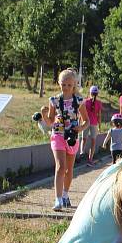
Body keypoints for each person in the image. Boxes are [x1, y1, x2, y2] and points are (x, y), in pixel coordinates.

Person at [40, 68, 89, 211]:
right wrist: (44, 115)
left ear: (74, 85)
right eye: (63, 84)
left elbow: (86, 121)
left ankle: (66, 194)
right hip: (57, 135)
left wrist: (79, 128)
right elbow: (50, 123)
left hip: (72, 137)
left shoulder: (79, 100)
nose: (66, 88)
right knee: (60, 166)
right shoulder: (54, 100)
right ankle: (58, 199)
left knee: (69, 170)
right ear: (58, 83)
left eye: (69, 85)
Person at [81, 85, 102, 166]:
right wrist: (99, 126)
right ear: (97, 94)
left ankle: (81, 152)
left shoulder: (85, 101)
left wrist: (81, 122)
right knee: (93, 142)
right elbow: (99, 116)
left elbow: (81, 113)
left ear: (90, 93)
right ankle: (90, 159)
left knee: (84, 139)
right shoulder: (99, 103)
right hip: (94, 123)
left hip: (85, 122)